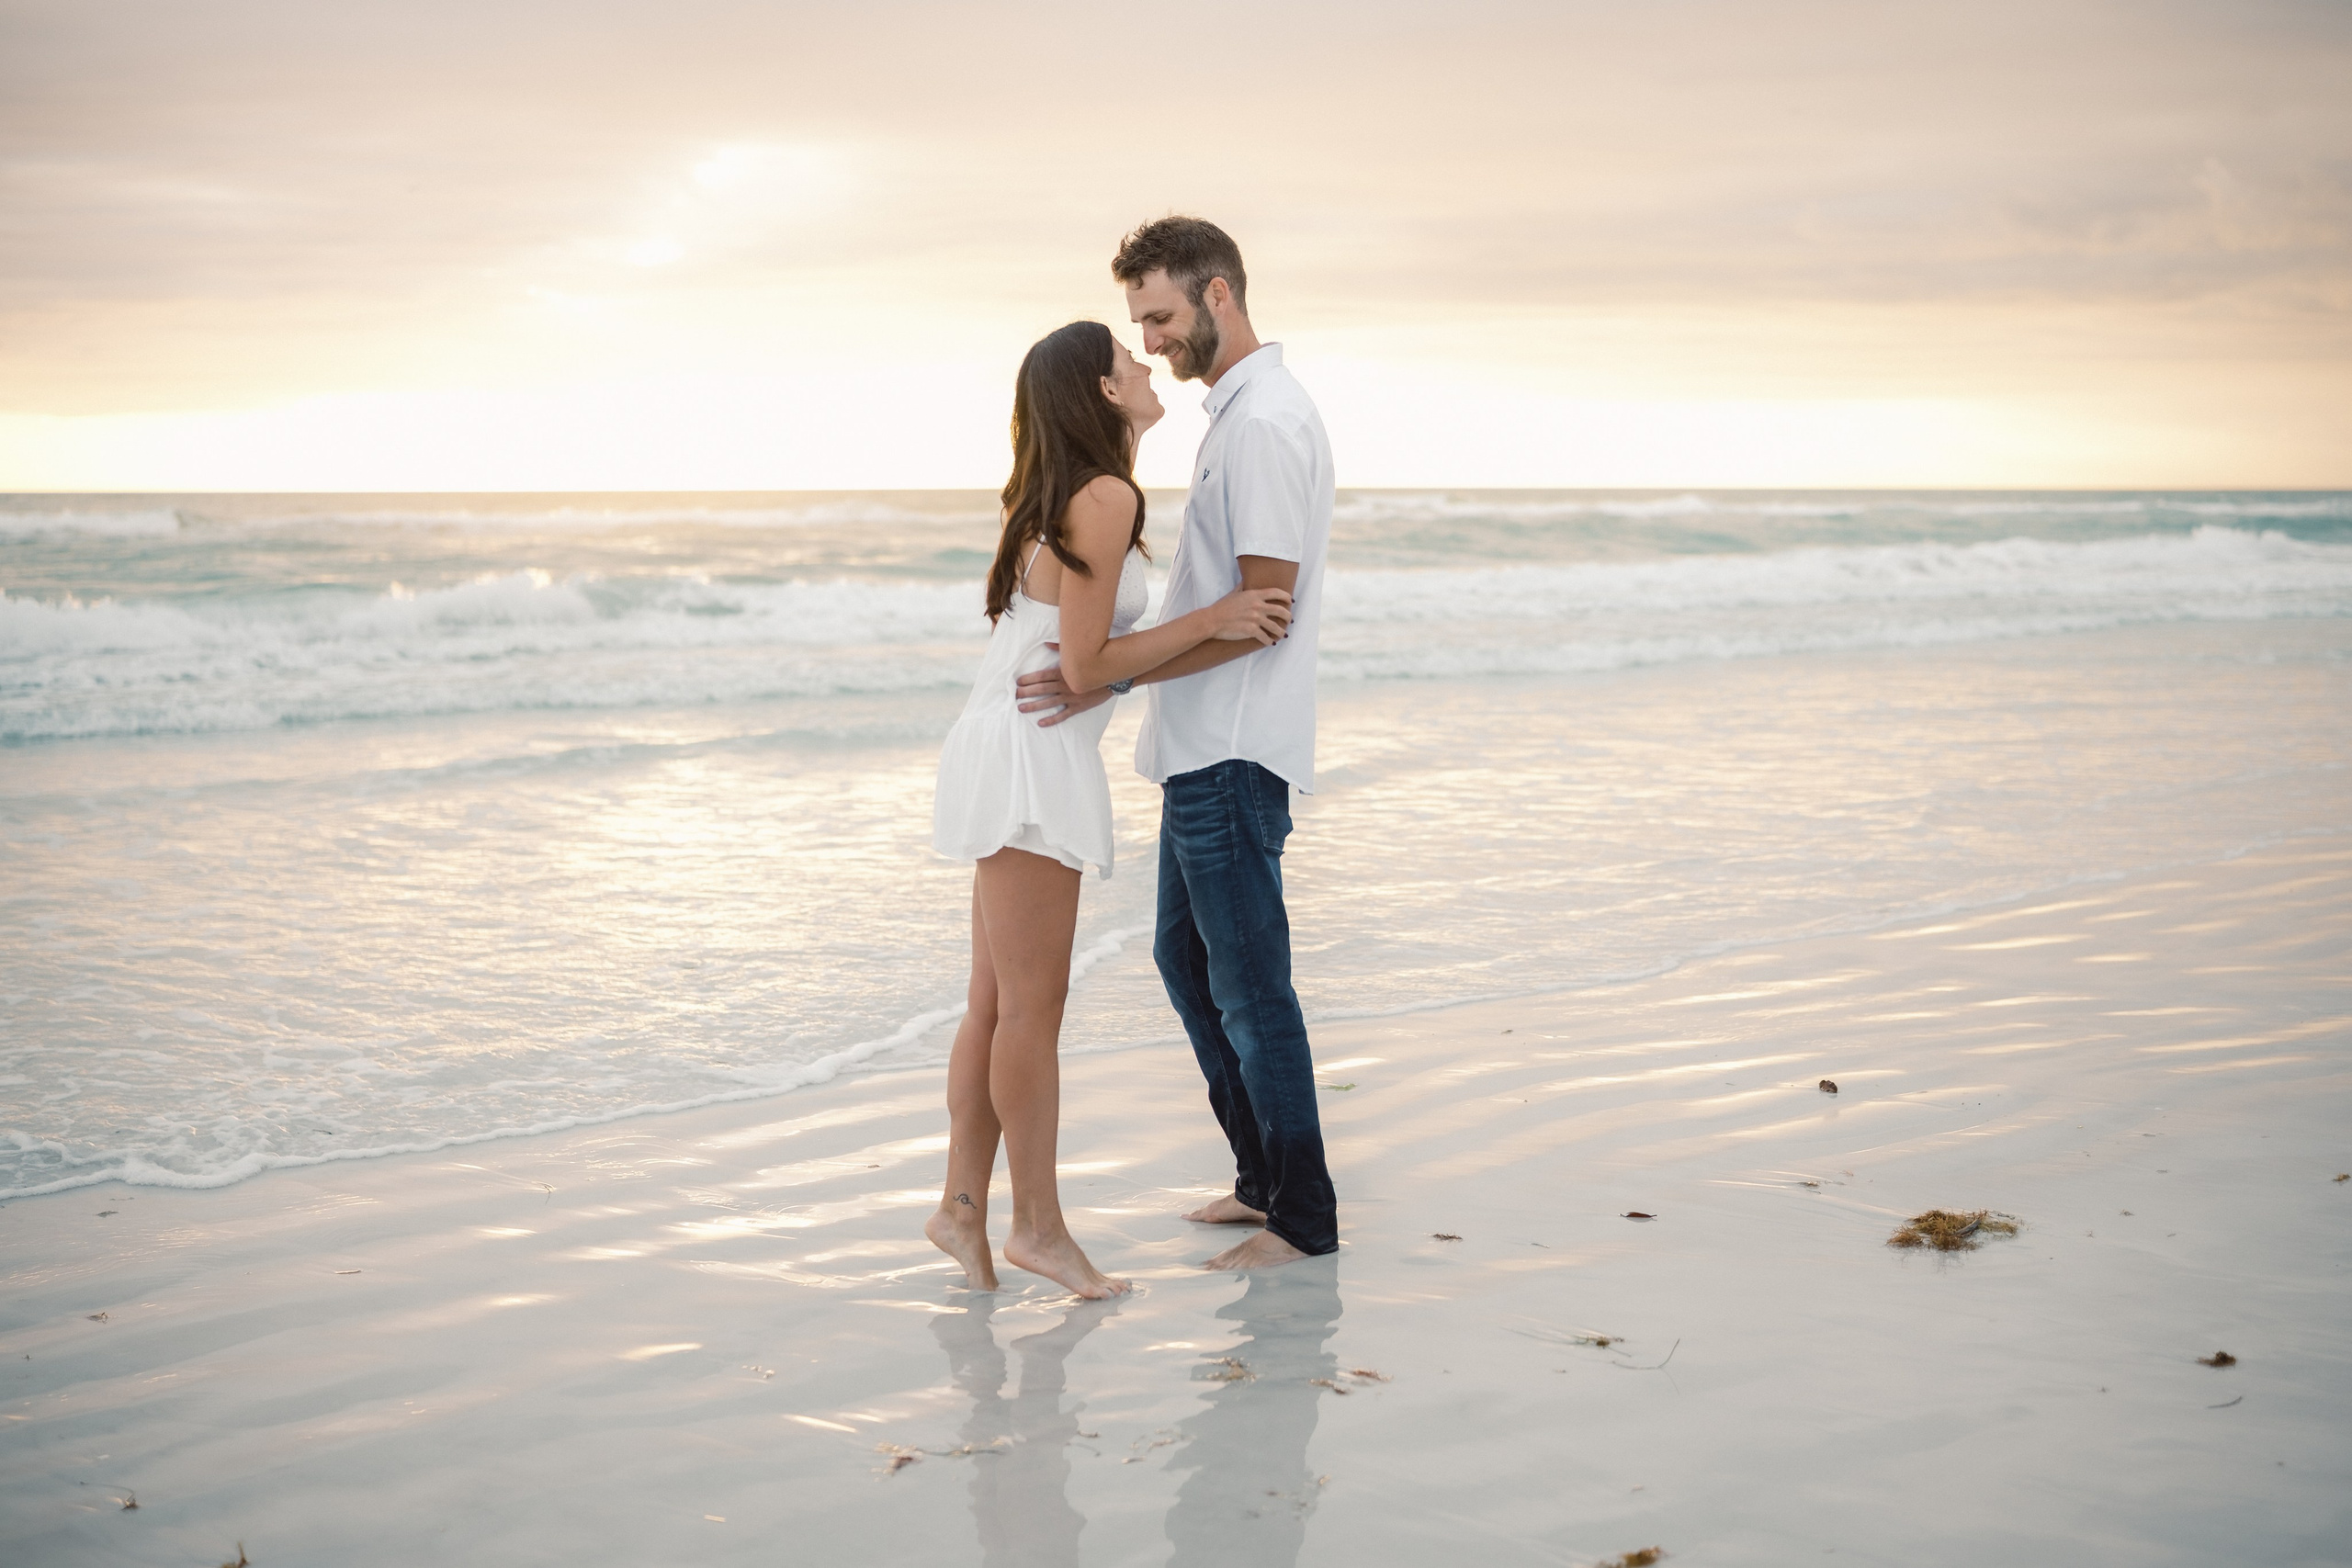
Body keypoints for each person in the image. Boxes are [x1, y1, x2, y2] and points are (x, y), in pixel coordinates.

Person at [928, 319, 1296, 1299]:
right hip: (1029, 757)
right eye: (1126, 359)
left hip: (1009, 741)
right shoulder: (1102, 495)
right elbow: (1086, 665)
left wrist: (1128, 669)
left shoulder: (1078, 494)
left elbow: (1079, 664)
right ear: (1099, 390)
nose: (1144, 364)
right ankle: (1037, 1230)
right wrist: (1214, 618)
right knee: (1028, 1012)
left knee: (996, 1004)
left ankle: (961, 1210)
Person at [1017, 218, 1340, 1269]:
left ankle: (1304, 1218)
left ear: (1217, 296)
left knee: (1249, 983)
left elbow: (1262, 609)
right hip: (1201, 743)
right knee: (1186, 959)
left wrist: (1104, 675)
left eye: (1158, 316)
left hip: (1236, 747)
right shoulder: (1237, 419)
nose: (1151, 341)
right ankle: (1260, 1179)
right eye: (1137, 324)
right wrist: (1103, 677)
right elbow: (1228, 609)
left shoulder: (1263, 424)